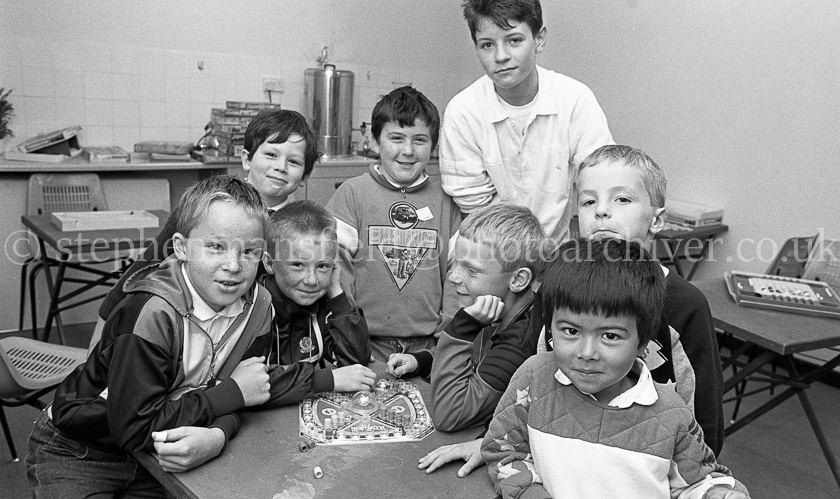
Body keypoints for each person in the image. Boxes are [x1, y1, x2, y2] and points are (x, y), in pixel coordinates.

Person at [26, 176, 315, 496]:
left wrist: (219, 433)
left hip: (162, 453)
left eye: (249, 251)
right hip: (81, 450)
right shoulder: (152, 311)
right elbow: (134, 428)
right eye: (216, 246)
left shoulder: (258, 307)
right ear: (181, 248)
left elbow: (243, 390)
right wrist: (229, 398)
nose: (233, 265)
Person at [482, 238, 750, 499]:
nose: (587, 353)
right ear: (549, 327)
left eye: (609, 336)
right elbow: (504, 453)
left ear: (643, 343)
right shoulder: (532, 381)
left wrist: (718, 493)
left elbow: (695, 483)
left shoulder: (671, 414)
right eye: (570, 331)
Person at [91, 109, 320, 352]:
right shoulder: (206, 206)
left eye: (293, 161)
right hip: (186, 341)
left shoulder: (300, 228)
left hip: (259, 348)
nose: (281, 167)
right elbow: (142, 271)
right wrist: (94, 353)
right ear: (246, 159)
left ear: (305, 175)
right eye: (271, 154)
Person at [566, 144, 724, 455]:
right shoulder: (559, 287)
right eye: (588, 201)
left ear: (657, 220)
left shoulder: (684, 303)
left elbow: (703, 405)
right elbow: (532, 373)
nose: (600, 210)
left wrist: (697, 469)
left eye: (622, 199)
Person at [439, 0, 613, 242]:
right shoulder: (463, 113)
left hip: (556, 253)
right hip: (490, 251)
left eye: (514, 40)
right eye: (487, 45)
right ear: (476, 48)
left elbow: (602, 182)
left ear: (539, 39)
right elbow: (475, 211)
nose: (501, 56)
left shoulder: (574, 100)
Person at [326, 86, 461, 362]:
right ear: (375, 142)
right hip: (363, 346)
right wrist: (350, 336)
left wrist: (444, 346)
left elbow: (458, 278)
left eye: (420, 140)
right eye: (396, 138)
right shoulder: (352, 195)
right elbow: (336, 270)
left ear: (434, 147)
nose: (408, 151)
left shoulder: (448, 202)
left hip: (428, 350)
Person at [387, 203, 545, 432]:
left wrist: (462, 328)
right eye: (455, 264)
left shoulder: (520, 345)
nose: (453, 277)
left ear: (518, 280)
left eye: (472, 270)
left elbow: (451, 414)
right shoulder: (500, 306)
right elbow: (477, 356)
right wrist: (423, 361)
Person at [259, 200, 376, 394]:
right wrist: (327, 379)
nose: (312, 280)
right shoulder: (254, 308)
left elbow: (356, 361)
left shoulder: (322, 303)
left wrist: (336, 293)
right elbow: (253, 385)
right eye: (298, 265)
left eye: (322, 266)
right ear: (270, 264)